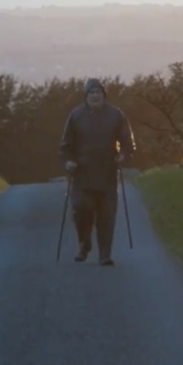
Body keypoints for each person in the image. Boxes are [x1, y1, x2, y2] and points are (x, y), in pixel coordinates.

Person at [59, 78, 136, 266]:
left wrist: (123, 156)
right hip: (81, 176)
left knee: (107, 216)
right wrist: (68, 161)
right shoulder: (76, 116)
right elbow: (65, 145)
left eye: (98, 93)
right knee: (81, 211)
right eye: (91, 93)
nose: (95, 96)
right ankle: (84, 244)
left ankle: (105, 255)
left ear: (104, 96)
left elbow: (128, 142)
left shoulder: (116, 115)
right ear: (86, 96)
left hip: (107, 174)